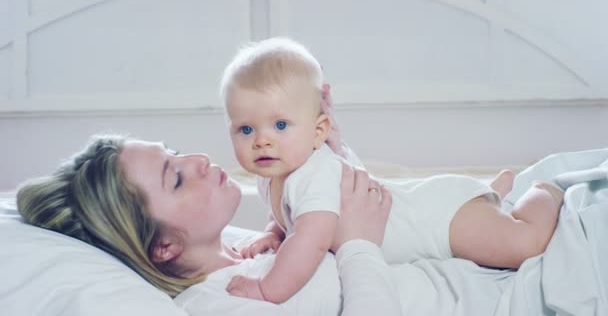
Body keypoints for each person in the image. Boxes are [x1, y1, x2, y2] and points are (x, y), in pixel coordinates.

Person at [220, 37, 565, 303]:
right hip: (422, 208)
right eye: (246, 130)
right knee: (491, 219)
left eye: (280, 125)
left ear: (319, 130)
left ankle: (541, 190)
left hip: (437, 222)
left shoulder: (312, 173)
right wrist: (274, 233)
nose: (262, 141)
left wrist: (267, 289)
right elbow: (288, 217)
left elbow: (309, 240)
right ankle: (491, 194)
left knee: (526, 244)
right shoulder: (274, 174)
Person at [16, 134, 403, 315]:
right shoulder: (218, 303)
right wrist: (358, 246)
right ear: (162, 247)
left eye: (177, 153)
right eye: (177, 178)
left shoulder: (250, 251)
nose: (200, 159)